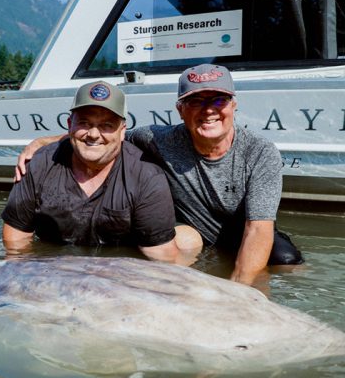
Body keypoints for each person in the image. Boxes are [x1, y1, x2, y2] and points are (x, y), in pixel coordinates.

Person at [16, 64, 303, 285]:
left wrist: (238, 293)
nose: (208, 110)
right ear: (180, 110)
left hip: (245, 231)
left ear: (234, 105)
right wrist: (45, 142)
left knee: (285, 262)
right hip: (193, 235)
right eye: (195, 102)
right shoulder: (157, 138)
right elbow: (103, 137)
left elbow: (258, 229)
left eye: (218, 100)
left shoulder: (261, 152)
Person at [3, 81, 180, 262]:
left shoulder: (147, 176)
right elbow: (15, 242)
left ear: (122, 131)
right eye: (84, 123)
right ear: (70, 124)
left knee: (186, 240)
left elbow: (162, 257)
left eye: (107, 125)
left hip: (118, 271)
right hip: (53, 268)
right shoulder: (40, 163)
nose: (93, 134)